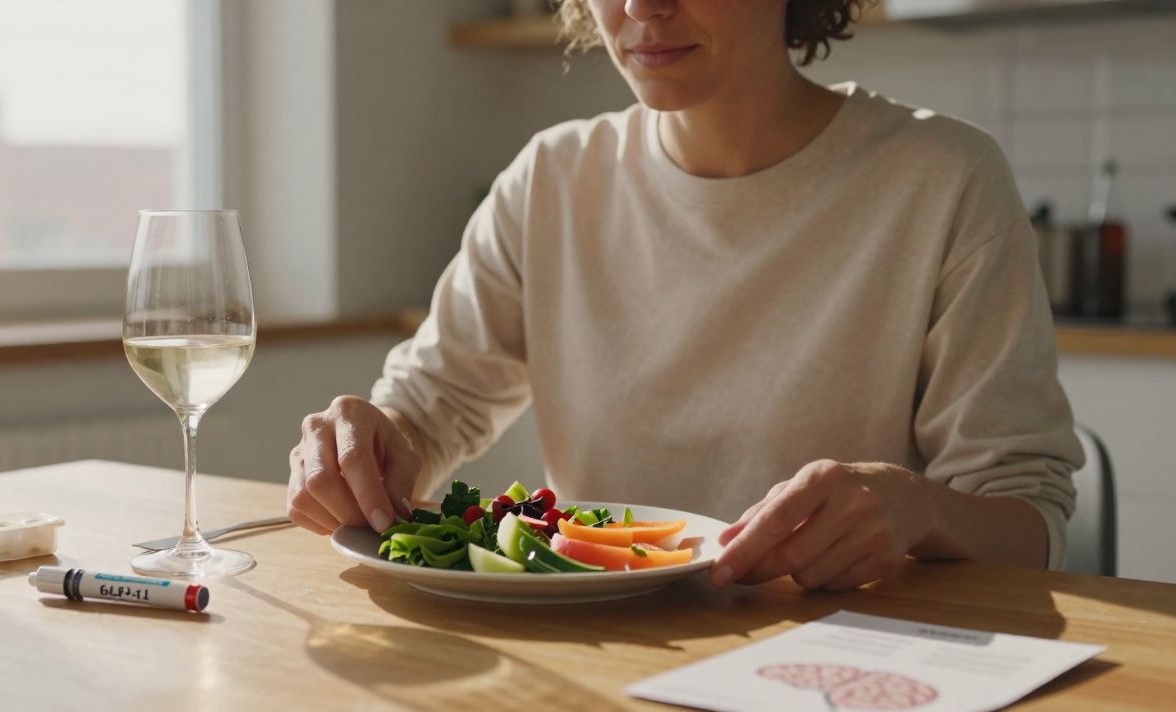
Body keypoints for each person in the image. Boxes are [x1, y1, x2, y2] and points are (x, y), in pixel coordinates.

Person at [286, 0, 1084, 591]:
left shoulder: (944, 180)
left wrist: (920, 508)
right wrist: (368, 445)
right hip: (598, 659)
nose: (640, 9)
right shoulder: (553, 178)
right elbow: (426, 412)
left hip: (835, 661)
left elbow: (1028, 515)